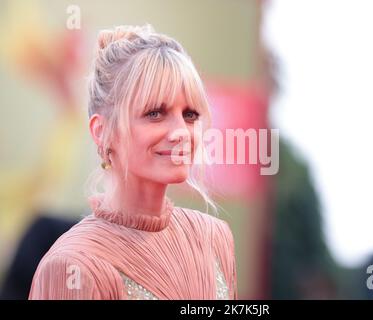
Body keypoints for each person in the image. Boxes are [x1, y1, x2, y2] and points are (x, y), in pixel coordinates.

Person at [28, 24, 238, 300]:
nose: (180, 132)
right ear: (102, 132)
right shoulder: (73, 267)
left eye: (190, 114)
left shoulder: (215, 239)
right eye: (155, 113)